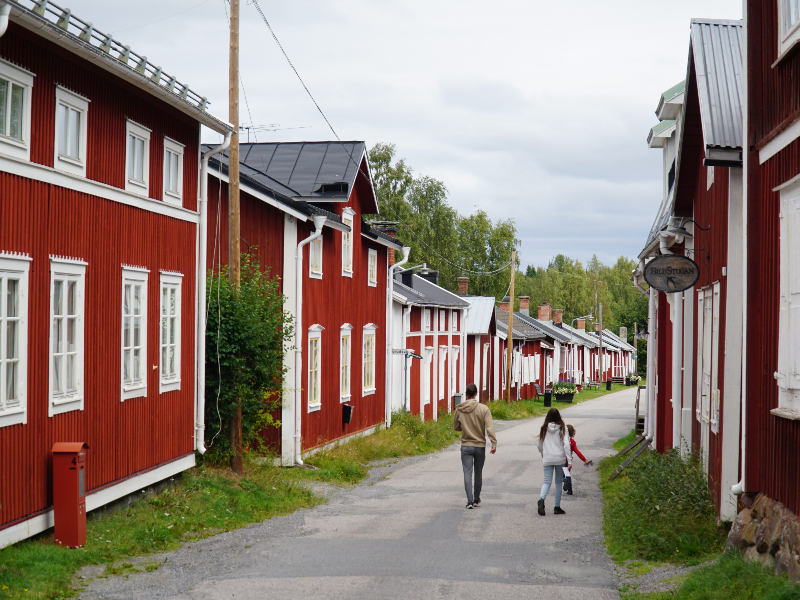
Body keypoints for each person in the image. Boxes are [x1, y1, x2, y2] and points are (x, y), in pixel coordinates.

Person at [453, 383, 497, 509]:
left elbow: (456, 426)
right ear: (476, 394)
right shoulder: (484, 409)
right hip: (480, 446)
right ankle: (477, 498)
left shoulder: (459, 409)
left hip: (466, 445)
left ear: (466, 394)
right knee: (478, 473)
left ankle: (469, 501)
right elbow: (489, 427)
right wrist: (493, 443)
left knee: (467, 473)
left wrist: (465, 428)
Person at [536, 408, 571, 515]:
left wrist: (542, 453)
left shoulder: (544, 428)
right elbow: (566, 444)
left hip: (547, 458)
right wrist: (569, 460)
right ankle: (557, 507)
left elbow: (539, 444)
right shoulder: (563, 428)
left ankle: (541, 499)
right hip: (559, 458)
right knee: (558, 482)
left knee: (546, 481)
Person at [562, 424, 590, 496]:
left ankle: (563, 480)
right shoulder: (572, 442)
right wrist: (585, 460)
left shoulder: (561, 440)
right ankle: (570, 490)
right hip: (568, 461)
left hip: (560, 460)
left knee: (560, 475)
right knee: (568, 475)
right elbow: (577, 452)